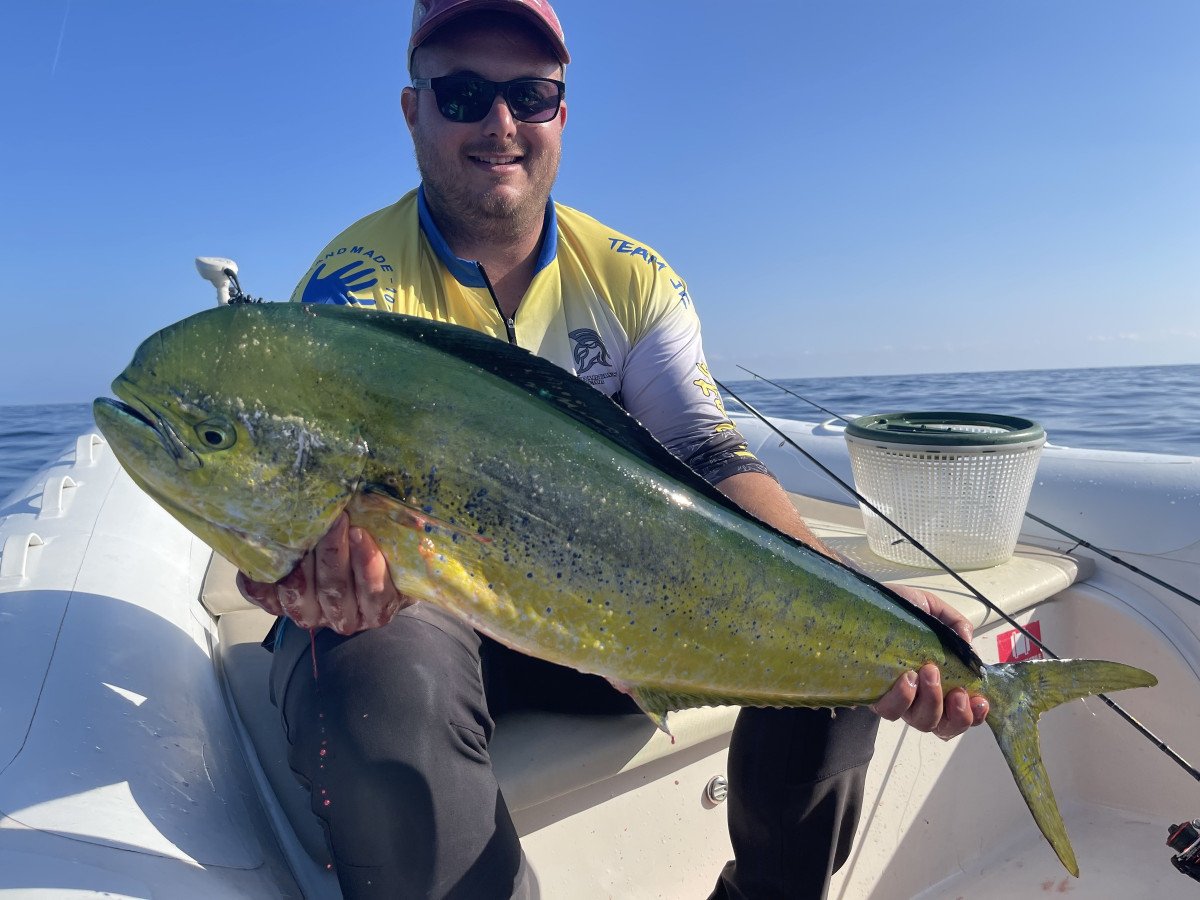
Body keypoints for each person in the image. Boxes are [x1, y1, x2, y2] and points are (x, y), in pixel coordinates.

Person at [237, 2, 989, 897]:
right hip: (433, 614)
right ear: (413, 110)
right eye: (464, 93)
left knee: (830, 648)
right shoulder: (352, 290)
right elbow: (300, 496)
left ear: (563, 112)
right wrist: (307, 571)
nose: (500, 124)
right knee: (371, 676)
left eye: (530, 94)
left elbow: (711, 456)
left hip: (613, 617)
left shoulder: (632, 275)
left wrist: (850, 594)